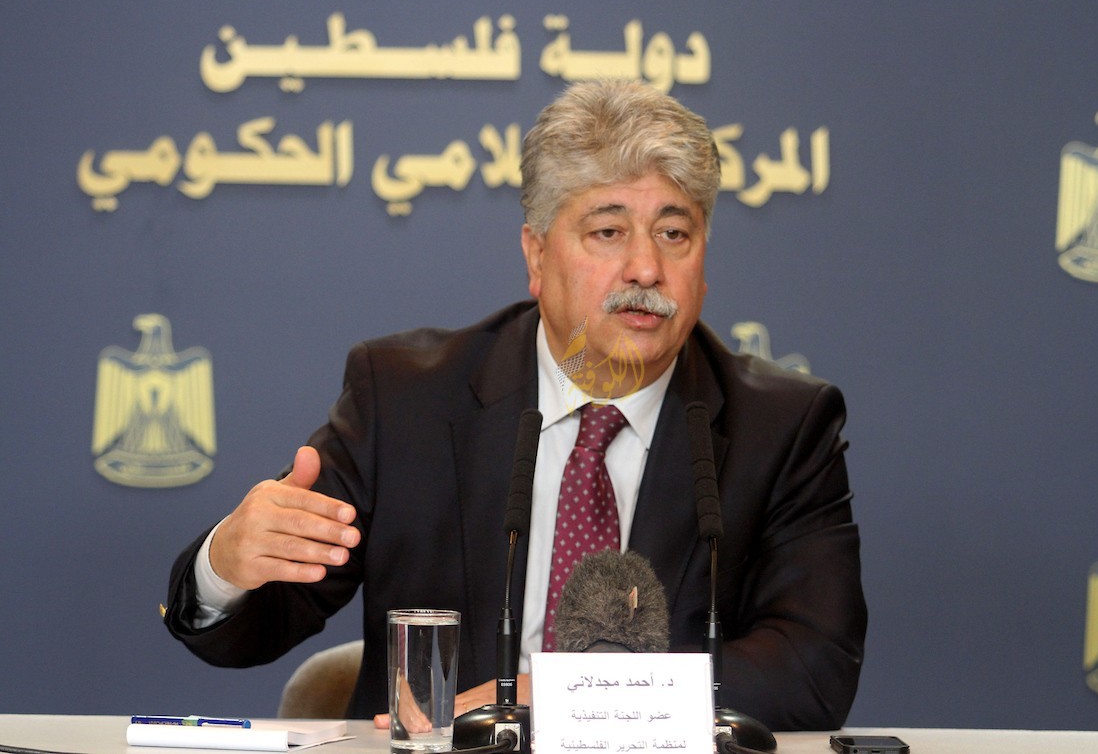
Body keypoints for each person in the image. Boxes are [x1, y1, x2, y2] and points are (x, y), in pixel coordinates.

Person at [164, 80, 867, 731]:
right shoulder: (406, 402)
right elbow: (262, 623)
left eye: (674, 233)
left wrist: (563, 696)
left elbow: (812, 668)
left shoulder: (782, 428)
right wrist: (225, 568)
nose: (647, 268)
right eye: (608, 231)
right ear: (536, 255)